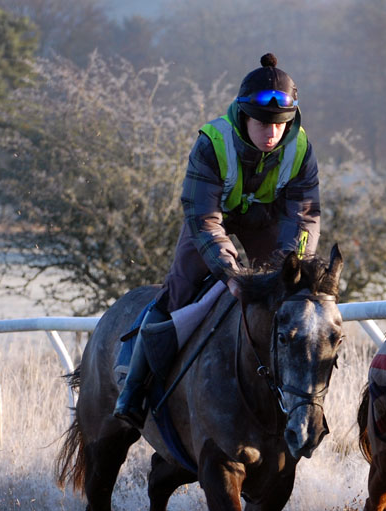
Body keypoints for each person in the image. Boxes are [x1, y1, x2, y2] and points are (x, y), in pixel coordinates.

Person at [113, 53, 321, 429]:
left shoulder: (301, 148)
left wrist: (293, 267)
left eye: (280, 124)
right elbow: (203, 218)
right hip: (212, 217)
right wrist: (230, 274)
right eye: (263, 123)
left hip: (265, 220)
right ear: (244, 116)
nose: (272, 133)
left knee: (291, 293)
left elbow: (304, 218)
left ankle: (297, 399)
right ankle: (134, 386)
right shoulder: (212, 142)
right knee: (179, 289)